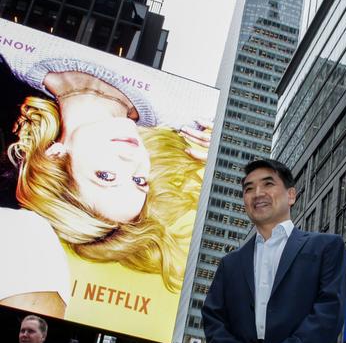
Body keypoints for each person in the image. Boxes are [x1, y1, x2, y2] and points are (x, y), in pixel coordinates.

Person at [4, 70, 210, 293]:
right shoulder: (192, 110)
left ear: (56, 156)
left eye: (105, 176)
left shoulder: (16, 64)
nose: (132, 160)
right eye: (139, 180)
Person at [202, 159, 346, 343]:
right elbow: (213, 320)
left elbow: (329, 312)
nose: (257, 193)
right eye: (249, 189)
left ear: (291, 195)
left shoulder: (326, 247)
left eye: (268, 184)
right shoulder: (229, 264)